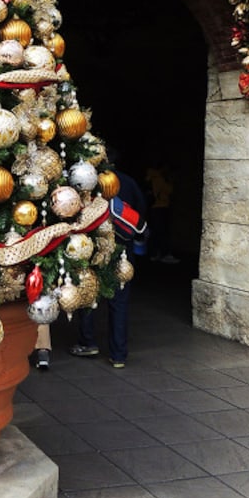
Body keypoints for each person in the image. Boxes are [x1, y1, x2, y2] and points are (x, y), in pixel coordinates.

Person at [70, 159, 148, 369]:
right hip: (123, 252)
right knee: (119, 302)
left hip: (92, 249)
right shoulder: (129, 182)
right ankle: (118, 355)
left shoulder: (86, 185)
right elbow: (141, 210)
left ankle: (88, 342)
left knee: (88, 294)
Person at [144, 157, 177, 263]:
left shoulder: (150, 176)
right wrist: (170, 180)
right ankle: (164, 254)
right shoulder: (160, 178)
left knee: (155, 232)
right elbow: (168, 190)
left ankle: (154, 253)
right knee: (162, 232)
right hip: (160, 206)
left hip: (154, 207)